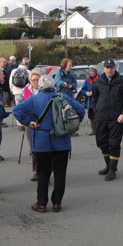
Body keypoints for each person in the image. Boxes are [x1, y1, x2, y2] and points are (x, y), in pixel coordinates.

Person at [13, 75, 85, 213]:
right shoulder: (63, 97)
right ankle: (57, 203)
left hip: (42, 141)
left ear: (40, 86)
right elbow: (80, 110)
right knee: (60, 173)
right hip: (62, 141)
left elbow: (17, 111)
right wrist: (70, 126)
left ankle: (41, 203)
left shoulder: (34, 99)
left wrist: (29, 122)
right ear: (53, 86)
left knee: (43, 173)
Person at [92, 60, 123, 181]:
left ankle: (113, 170)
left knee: (114, 144)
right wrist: (96, 111)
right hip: (101, 118)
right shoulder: (98, 82)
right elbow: (94, 98)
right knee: (101, 142)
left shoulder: (122, 81)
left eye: (111, 67)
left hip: (116, 119)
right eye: (107, 67)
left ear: (115, 68)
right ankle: (108, 166)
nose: (109, 69)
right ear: (103, 69)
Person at [22, 68, 43, 181]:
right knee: (33, 146)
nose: (35, 82)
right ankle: (35, 171)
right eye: (33, 80)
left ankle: (44, 171)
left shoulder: (44, 90)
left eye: (37, 79)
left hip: (43, 121)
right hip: (30, 122)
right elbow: (24, 105)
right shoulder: (27, 89)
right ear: (30, 80)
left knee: (43, 146)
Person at [9, 61, 30, 132]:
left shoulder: (14, 71)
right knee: (26, 108)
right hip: (25, 92)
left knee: (18, 108)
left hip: (16, 92)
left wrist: (12, 90)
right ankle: (26, 123)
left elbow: (10, 82)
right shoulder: (28, 71)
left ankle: (19, 124)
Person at [80, 66, 99, 136]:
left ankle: (99, 130)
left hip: (98, 100)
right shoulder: (87, 80)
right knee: (91, 115)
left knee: (98, 115)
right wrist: (86, 93)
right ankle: (94, 130)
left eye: (92, 71)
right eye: (90, 71)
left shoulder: (99, 79)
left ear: (95, 72)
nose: (91, 73)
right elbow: (83, 89)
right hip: (90, 101)